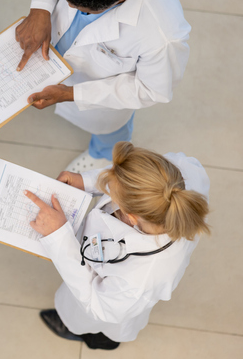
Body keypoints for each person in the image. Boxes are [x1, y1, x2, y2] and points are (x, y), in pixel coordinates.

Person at [14, 0, 191, 172]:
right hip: (59, 53)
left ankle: (103, 154)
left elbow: (152, 90)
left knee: (110, 130)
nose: (68, 7)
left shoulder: (162, 34)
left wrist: (71, 94)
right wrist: (41, 9)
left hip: (101, 93)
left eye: (83, 10)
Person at [25, 142, 210, 350]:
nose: (108, 184)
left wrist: (59, 236)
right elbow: (131, 178)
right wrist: (86, 181)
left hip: (110, 311)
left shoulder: (141, 278)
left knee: (99, 330)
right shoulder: (177, 177)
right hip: (113, 282)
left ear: (130, 217)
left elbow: (98, 306)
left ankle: (99, 341)